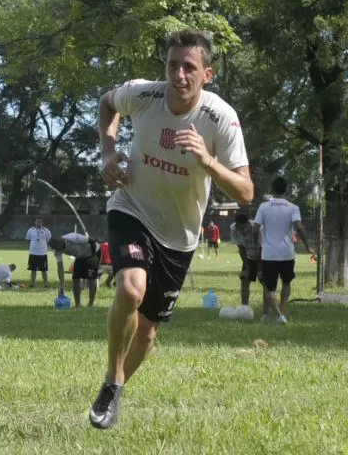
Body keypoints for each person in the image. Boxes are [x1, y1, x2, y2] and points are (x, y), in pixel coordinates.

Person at [91, 29, 253, 429]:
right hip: (131, 206)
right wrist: (109, 151)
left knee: (147, 333)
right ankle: (111, 382)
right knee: (130, 288)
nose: (178, 75)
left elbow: (246, 191)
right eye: (172, 65)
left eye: (189, 67)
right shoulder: (143, 94)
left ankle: (119, 384)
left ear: (207, 74)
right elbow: (107, 103)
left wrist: (208, 162)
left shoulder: (221, 119)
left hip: (179, 235)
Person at [254, 177, 315, 324]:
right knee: (286, 283)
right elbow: (299, 227)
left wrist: (258, 243)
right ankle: (282, 312)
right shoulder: (293, 207)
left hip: (269, 253)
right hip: (287, 253)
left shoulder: (263, 207)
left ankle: (279, 315)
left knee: (269, 287)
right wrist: (307, 246)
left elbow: (255, 228)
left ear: (272, 190)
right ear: (286, 189)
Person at [49, 233, 100, 307]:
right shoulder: (56, 250)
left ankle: (90, 304)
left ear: (61, 243)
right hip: (80, 255)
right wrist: (62, 283)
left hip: (92, 251)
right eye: (54, 248)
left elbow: (92, 240)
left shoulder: (73, 238)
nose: (56, 250)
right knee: (75, 278)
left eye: (57, 248)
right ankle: (77, 304)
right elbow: (60, 267)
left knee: (91, 278)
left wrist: (94, 256)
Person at [229, 213, 265, 314]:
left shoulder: (258, 228)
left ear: (248, 224)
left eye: (244, 227)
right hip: (248, 255)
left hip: (263, 254)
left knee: (264, 281)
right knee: (244, 279)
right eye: (239, 227)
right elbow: (241, 249)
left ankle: (266, 311)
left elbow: (262, 248)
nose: (242, 230)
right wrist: (247, 268)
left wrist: (259, 269)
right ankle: (244, 309)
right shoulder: (233, 229)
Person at [25, 217, 52, 287]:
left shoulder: (46, 230)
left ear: (42, 222)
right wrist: (33, 246)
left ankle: (46, 284)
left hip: (42, 253)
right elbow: (28, 240)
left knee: (44, 270)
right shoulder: (30, 230)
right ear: (35, 222)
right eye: (37, 221)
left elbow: (49, 241)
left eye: (40, 221)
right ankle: (32, 284)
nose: (38, 222)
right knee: (33, 270)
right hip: (33, 253)